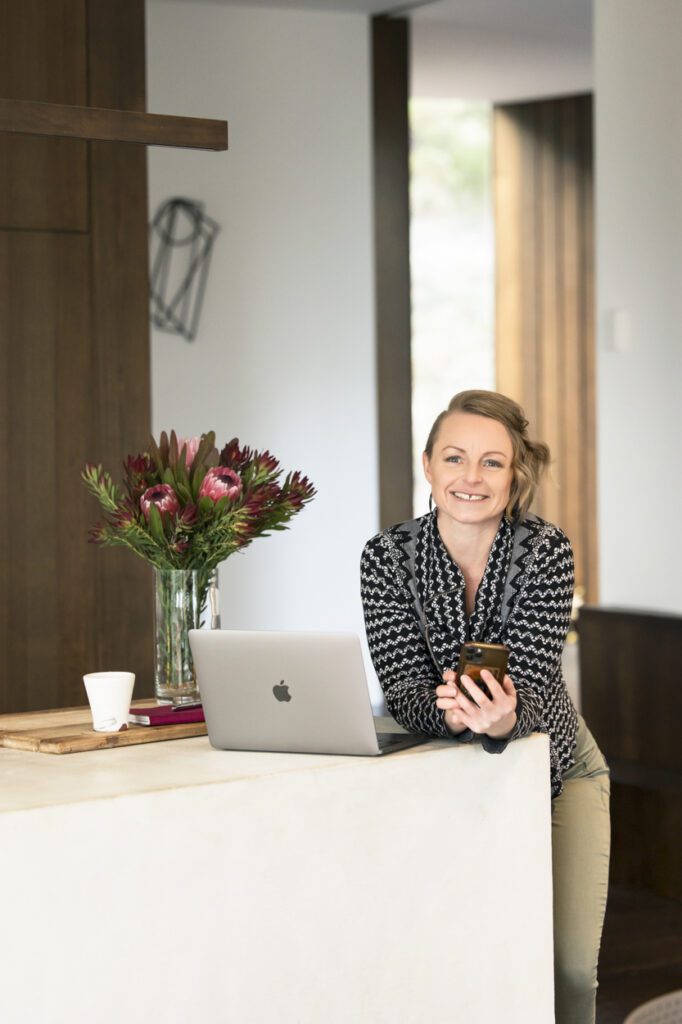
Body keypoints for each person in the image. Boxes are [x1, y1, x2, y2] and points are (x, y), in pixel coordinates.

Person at [360, 389, 610, 1024]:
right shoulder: (386, 557)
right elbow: (404, 689)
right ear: (427, 466)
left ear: (514, 474)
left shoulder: (546, 550)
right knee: (465, 964)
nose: (471, 478)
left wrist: (500, 720)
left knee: (569, 968)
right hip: (448, 772)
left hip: (555, 768)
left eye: (492, 463)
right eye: (455, 458)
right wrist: (450, 715)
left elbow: (530, 685)